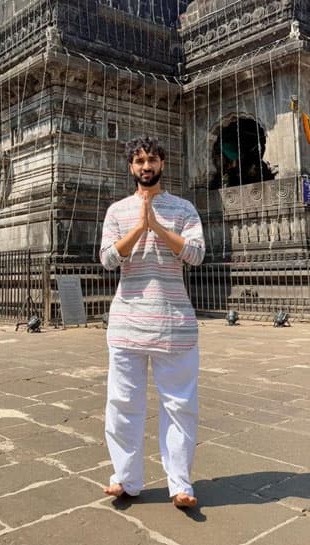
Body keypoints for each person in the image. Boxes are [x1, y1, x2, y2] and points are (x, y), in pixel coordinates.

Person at [99, 136, 205, 509]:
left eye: (152, 160)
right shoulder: (116, 211)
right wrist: (139, 227)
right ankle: (125, 479)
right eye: (140, 161)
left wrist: (158, 226)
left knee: (179, 405)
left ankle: (180, 483)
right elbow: (109, 259)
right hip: (128, 321)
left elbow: (195, 254)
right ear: (131, 167)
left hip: (174, 322)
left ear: (163, 163)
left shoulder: (183, 208)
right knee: (122, 403)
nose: (146, 166)